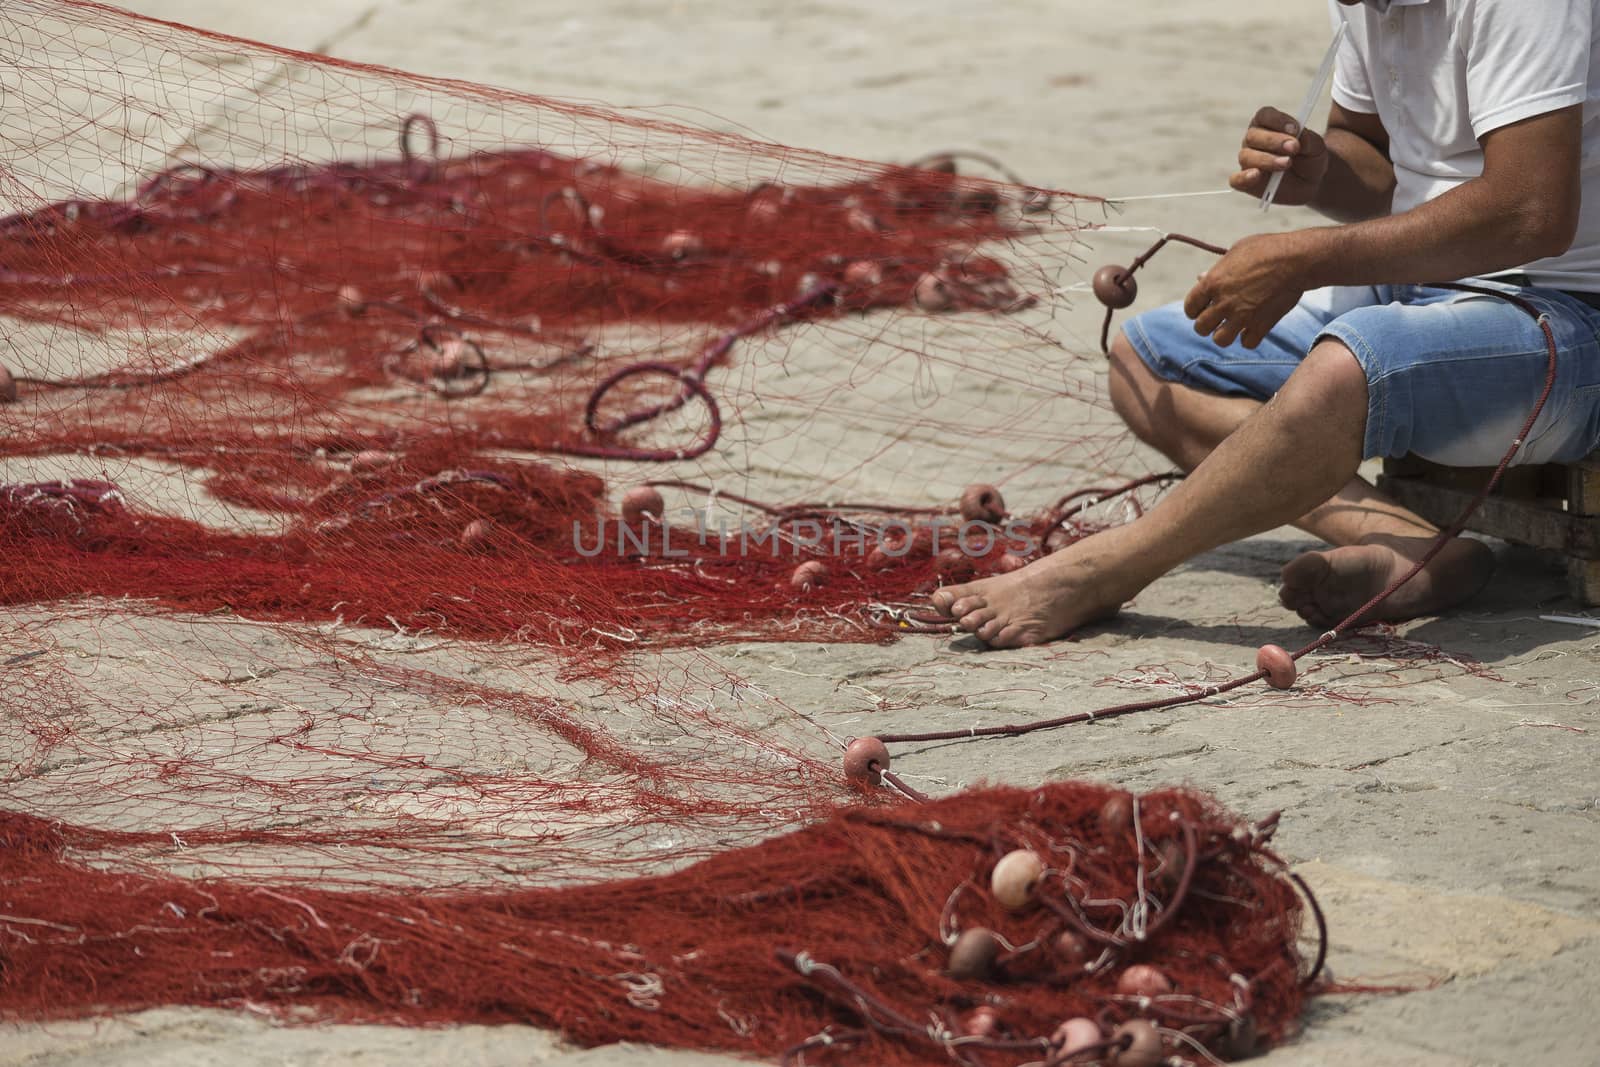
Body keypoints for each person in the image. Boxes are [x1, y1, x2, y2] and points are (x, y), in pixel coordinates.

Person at [932, 0, 1600, 647]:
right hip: (1424, 282)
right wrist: (1317, 172)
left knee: (1347, 365)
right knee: (1146, 361)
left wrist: (1306, 258)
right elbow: (1374, 161)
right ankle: (1417, 547)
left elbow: (1532, 210)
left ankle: (1109, 568)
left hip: (1565, 315)